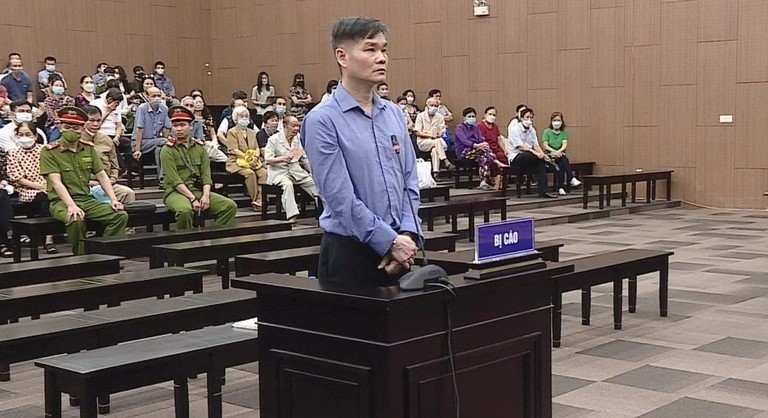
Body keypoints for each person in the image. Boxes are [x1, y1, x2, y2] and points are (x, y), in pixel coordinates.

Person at [303, 16, 420, 287]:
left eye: (384, 50)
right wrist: (388, 241)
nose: (381, 58)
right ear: (342, 56)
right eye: (370, 49)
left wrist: (407, 234)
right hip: (350, 252)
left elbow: (409, 181)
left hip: (401, 249)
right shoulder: (323, 120)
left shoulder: (393, 113)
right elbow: (339, 198)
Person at [40, 106, 128, 255]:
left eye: (76, 128)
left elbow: (102, 175)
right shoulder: (49, 151)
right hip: (61, 202)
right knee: (75, 219)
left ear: (82, 129)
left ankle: (104, 254)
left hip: (86, 199)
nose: (72, 131)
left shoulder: (88, 149)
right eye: (67, 127)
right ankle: (81, 258)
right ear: (60, 128)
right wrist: (71, 206)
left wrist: (113, 199)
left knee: (119, 215)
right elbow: (56, 182)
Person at [160, 106, 237, 230]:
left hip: (198, 190)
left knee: (229, 206)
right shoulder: (167, 150)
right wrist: (192, 198)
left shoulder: (199, 147)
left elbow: (206, 175)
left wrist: (206, 196)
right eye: (175, 125)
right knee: (185, 210)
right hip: (175, 192)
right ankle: (185, 244)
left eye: (182, 124)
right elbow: (174, 180)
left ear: (191, 126)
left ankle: (218, 241)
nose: (178, 128)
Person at [6, 122, 57, 253]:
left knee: (50, 195)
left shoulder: (44, 150)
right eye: (21, 134)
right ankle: (48, 239)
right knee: (44, 197)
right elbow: (17, 177)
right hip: (26, 189)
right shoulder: (13, 153)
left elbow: (52, 170)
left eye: (28, 134)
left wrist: (47, 184)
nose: (24, 137)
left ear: (35, 136)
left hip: (47, 184)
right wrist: (39, 186)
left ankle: (49, 237)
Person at [265, 115, 317, 223]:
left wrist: (312, 173)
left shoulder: (298, 138)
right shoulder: (273, 139)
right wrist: (284, 158)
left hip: (296, 171)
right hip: (279, 171)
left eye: (298, 126)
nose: (296, 129)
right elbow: (268, 160)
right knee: (287, 185)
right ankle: (292, 216)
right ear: (285, 126)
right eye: (293, 126)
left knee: (314, 183)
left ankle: (324, 211)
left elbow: (304, 158)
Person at [82, 106, 136, 204]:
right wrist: (93, 183)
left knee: (128, 193)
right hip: (85, 184)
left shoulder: (106, 140)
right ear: (83, 121)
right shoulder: (76, 140)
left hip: (107, 183)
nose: (95, 124)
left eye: (98, 120)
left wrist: (112, 180)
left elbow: (115, 167)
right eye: (91, 120)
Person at [507, 107, 556, 198]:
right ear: (521, 118)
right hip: (516, 158)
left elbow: (536, 145)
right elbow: (521, 147)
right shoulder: (515, 129)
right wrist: (537, 154)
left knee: (540, 162)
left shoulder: (532, 130)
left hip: (530, 158)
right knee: (529, 155)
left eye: (531, 117)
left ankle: (543, 192)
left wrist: (543, 155)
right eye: (527, 117)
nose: (529, 120)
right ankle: (548, 163)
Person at [226, 106, 267, 210]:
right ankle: (254, 199)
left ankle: (260, 199)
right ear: (236, 118)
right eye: (242, 116)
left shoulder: (252, 132)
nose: (245, 118)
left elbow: (257, 148)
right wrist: (248, 158)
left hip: (254, 161)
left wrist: (256, 157)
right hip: (236, 161)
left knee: (263, 173)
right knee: (250, 173)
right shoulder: (232, 132)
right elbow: (234, 150)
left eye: (246, 116)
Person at [454, 107, 499, 190]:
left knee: (484, 156)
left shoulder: (475, 128)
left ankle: (483, 182)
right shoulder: (459, 128)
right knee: (484, 153)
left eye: (473, 116)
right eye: (469, 116)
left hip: (477, 151)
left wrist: (484, 144)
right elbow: (464, 141)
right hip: (464, 151)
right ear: (464, 118)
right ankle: (495, 164)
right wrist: (477, 145)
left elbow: (481, 139)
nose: (472, 118)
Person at [131, 86, 171, 181]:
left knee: (161, 149)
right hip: (141, 142)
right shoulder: (142, 108)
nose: (156, 98)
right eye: (154, 96)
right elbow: (139, 129)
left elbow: (166, 129)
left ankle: (162, 178)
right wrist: (137, 150)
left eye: (158, 95)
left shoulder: (164, 108)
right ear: (148, 97)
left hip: (156, 142)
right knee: (165, 141)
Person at [542, 111, 581, 195]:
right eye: (554, 120)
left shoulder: (564, 132)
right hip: (549, 155)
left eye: (558, 120)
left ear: (562, 121)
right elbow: (545, 145)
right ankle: (570, 179)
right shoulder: (547, 131)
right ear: (551, 121)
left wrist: (558, 152)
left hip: (560, 154)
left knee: (562, 162)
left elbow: (564, 144)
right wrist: (554, 152)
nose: (556, 122)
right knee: (563, 160)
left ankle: (561, 187)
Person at [414, 96, 453, 177]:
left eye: (435, 106)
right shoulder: (420, 116)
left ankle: (436, 172)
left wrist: (440, 133)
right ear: (427, 106)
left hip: (436, 141)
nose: (433, 107)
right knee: (437, 142)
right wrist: (430, 135)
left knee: (435, 150)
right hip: (423, 142)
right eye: (431, 105)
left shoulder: (440, 117)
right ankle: (445, 161)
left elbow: (442, 130)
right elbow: (417, 132)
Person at [477, 106, 509, 186]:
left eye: (494, 115)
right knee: (492, 158)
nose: (492, 116)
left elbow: (499, 139)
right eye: (490, 114)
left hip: (496, 148)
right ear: (485, 115)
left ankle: (502, 180)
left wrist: (504, 150)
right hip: (487, 149)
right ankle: (493, 179)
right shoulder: (480, 126)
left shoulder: (495, 126)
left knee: (502, 156)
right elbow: (481, 140)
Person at [43, 77, 75, 141]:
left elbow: (69, 112)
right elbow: (50, 114)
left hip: (67, 123)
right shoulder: (48, 100)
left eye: (61, 86)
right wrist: (59, 124)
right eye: (56, 85)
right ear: (52, 87)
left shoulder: (69, 100)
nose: (59, 87)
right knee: (54, 138)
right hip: (53, 125)